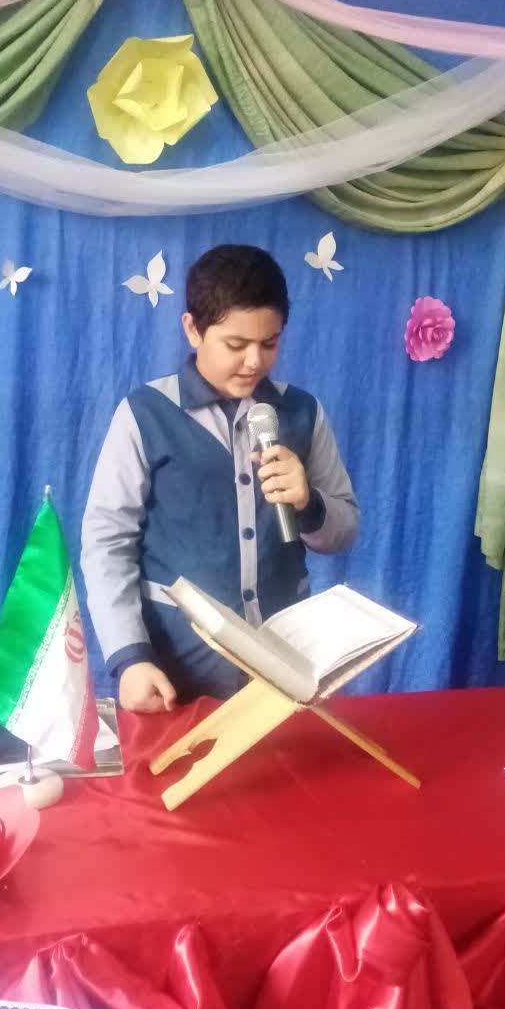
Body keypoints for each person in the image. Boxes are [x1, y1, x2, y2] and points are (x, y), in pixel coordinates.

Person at [81, 244, 359, 711]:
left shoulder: (302, 412)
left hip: (285, 668)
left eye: (269, 344)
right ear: (193, 329)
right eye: (236, 345)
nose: (254, 362)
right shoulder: (145, 413)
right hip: (174, 674)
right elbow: (106, 542)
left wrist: (309, 505)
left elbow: (344, 531)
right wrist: (129, 658)